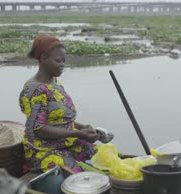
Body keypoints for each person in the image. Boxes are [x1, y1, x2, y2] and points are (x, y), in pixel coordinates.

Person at [19, 34, 112, 173]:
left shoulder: (54, 83)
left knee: (101, 156)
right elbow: (39, 129)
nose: (63, 65)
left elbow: (60, 119)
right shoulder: (34, 90)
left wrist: (83, 127)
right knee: (76, 172)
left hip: (64, 143)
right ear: (44, 58)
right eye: (58, 61)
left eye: (64, 61)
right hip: (43, 149)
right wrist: (78, 133)